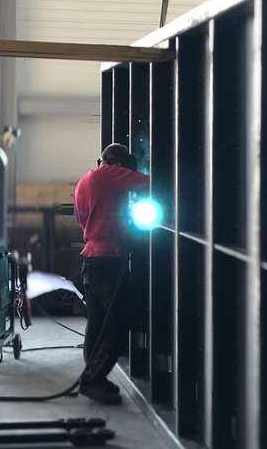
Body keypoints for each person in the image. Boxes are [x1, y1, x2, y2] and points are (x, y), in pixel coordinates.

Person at [73, 143, 149, 404]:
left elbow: (82, 218)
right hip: (107, 262)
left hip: (91, 261)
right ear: (119, 163)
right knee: (118, 321)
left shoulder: (85, 180)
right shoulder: (110, 173)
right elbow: (148, 184)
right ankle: (92, 380)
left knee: (97, 321)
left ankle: (92, 373)